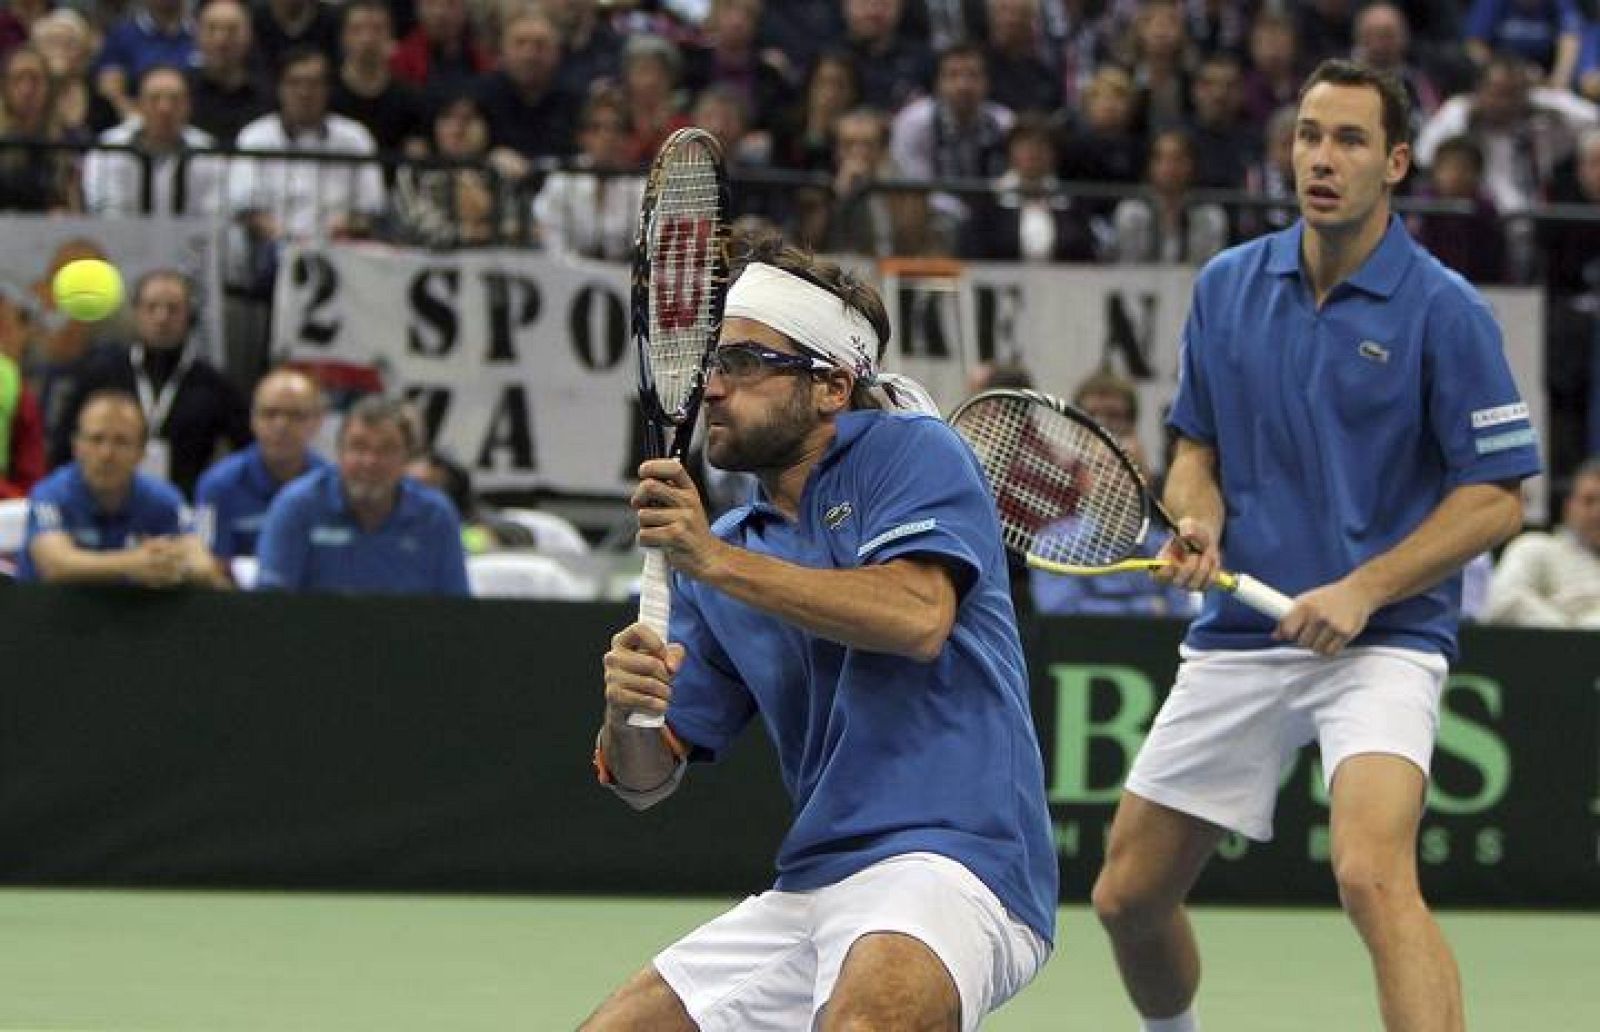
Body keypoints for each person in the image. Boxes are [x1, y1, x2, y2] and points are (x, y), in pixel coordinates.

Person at [1091, 60, 1542, 1032]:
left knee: (1369, 876)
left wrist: (1363, 589)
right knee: (1127, 900)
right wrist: (1195, 517)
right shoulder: (1225, 287)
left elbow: (1497, 501)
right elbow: (1194, 451)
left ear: (1395, 162)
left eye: (1346, 140)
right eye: (1306, 135)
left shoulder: (1443, 308)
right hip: (1241, 631)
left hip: (1381, 639)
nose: (1320, 159)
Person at [584, 233, 1057, 1030]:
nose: (713, 389)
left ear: (832, 385)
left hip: (956, 860)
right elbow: (644, 781)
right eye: (711, 365)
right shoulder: (722, 543)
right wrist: (629, 711)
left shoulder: (914, 451)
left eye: (741, 363)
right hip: (813, 880)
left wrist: (711, 560)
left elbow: (917, 618)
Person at [47, 269, 250, 500]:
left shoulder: (213, 384)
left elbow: (247, 450)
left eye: (173, 309)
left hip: (184, 507)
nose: (161, 318)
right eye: (151, 307)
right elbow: (63, 447)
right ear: (136, 314)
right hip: (104, 508)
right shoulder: (102, 374)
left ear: (189, 317)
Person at [254, 395, 469, 595]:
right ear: (339, 453)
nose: (370, 461)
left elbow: (457, 611)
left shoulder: (436, 516)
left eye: (386, 449)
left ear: (407, 458)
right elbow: (272, 607)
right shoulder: (296, 506)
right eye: (358, 447)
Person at [17, 390, 225, 588]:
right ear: (76, 446)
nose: (107, 454)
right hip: (51, 617)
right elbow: (55, 565)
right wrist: (132, 564)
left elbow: (203, 565)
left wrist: (167, 560)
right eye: (96, 439)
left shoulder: (163, 500)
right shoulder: (51, 495)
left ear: (142, 452)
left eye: (121, 442)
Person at [194, 366, 329, 568]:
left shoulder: (333, 486)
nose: (281, 425)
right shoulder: (213, 486)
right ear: (253, 419)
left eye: (296, 415)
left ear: (318, 421)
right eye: (270, 413)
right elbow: (202, 559)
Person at [1484, 458, 1600, 627]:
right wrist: (1574, 632)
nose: (1598, 513)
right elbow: (1504, 603)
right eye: (1589, 501)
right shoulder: (1535, 548)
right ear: (1568, 507)